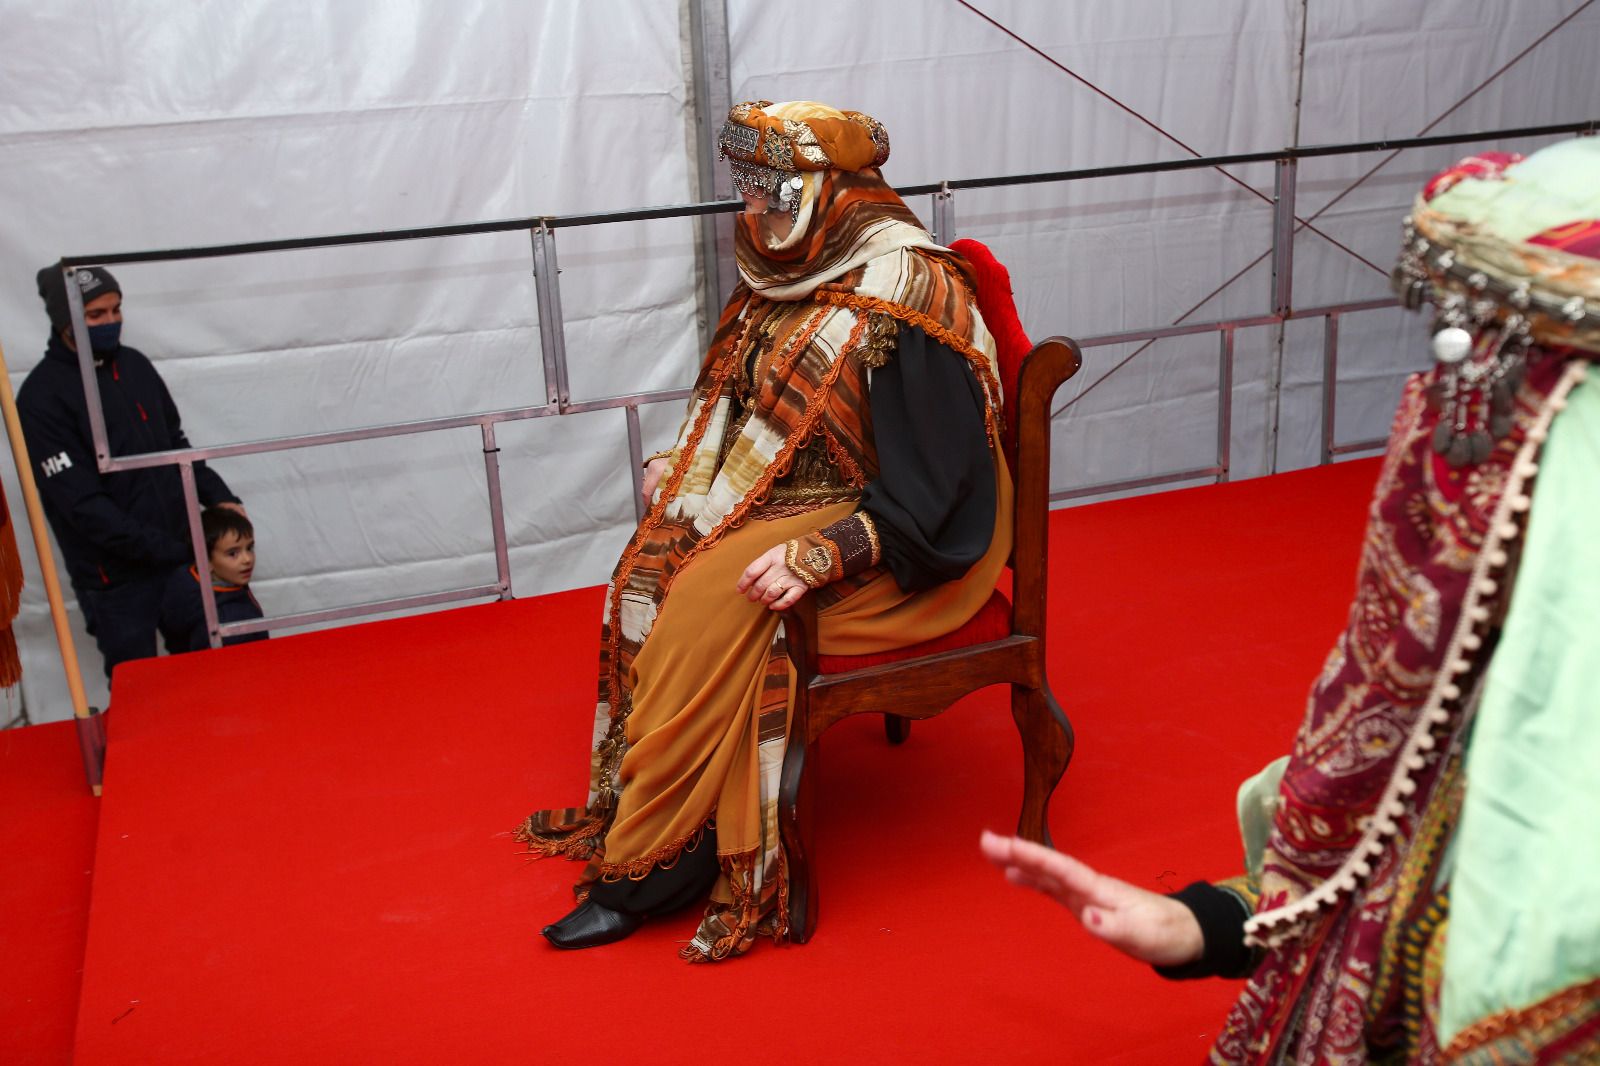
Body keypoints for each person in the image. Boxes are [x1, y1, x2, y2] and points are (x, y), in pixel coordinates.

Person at [983, 138, 1600, 1063]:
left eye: (1509, 401)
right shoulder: (1487, 656)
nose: (1450, 454)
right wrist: (1200, 925)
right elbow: (1381, 856)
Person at [516, 100, 1011, 961]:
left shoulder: (909, 286)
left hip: (896, 523)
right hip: (789, 485)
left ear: (829, 189)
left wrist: (831, 552)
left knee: (713, 596)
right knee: (647, 570)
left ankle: (650, 869)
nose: (753, 210)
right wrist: (682, 460)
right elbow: (739, 396)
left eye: (767, 190)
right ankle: (675, 804)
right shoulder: (790, 263)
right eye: (745, 189)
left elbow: (947, 477)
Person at [17, 265, 243, 681]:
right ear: (64, 321)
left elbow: (174, 442)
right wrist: (172, 547)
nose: (111, 322)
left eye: (116, 310)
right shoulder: (40, 398)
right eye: (96, 315)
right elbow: (82, 506)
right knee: (140, 693)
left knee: (213, 673)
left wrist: (219, 497)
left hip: (179, 562)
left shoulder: (135, 366)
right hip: (115, 582)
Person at [158, 506, 267, 653]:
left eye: (249, 548)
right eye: (233, 553)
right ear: (205, 560)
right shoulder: (231, 619)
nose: (247, 559)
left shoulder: (184, 579)